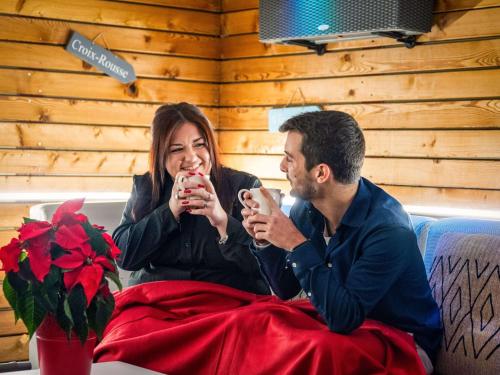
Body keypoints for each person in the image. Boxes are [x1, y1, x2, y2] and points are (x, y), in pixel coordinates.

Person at [241, 111, 442, 373]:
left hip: (402, 344)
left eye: (290, 158)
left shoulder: (388, 230)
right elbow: (285, 288)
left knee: (322, 346)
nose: (282, 166)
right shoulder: (306, 209)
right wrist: (265, 239)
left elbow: (344, 318)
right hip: (344, 327)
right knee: (257, 317)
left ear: (321, 172)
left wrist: (295, 243)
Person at [113, 102, 270, 295]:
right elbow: (124, 257)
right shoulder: (146, 186)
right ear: (161, 156)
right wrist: (170, 211)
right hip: (158, 301)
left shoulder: (243, 185)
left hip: (226, 301)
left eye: (199, 145)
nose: (191, 158)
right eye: (177, 149)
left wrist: (222, 220)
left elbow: (264, 268)